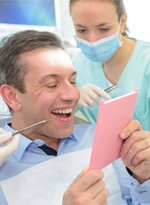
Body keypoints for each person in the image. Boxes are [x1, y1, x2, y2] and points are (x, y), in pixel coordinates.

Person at [0, 30, 150, 205]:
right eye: (52, 84)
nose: (72, 95)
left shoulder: (97, 137)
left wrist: (143, 177)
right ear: (12, 96)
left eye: (72, 81)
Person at [70, 0, 150, 127]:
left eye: (103, 29)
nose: (93, 41)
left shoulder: (146, 62)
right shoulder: (77, 64)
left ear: (122, 21)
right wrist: (73, 100)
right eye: (81, 30)